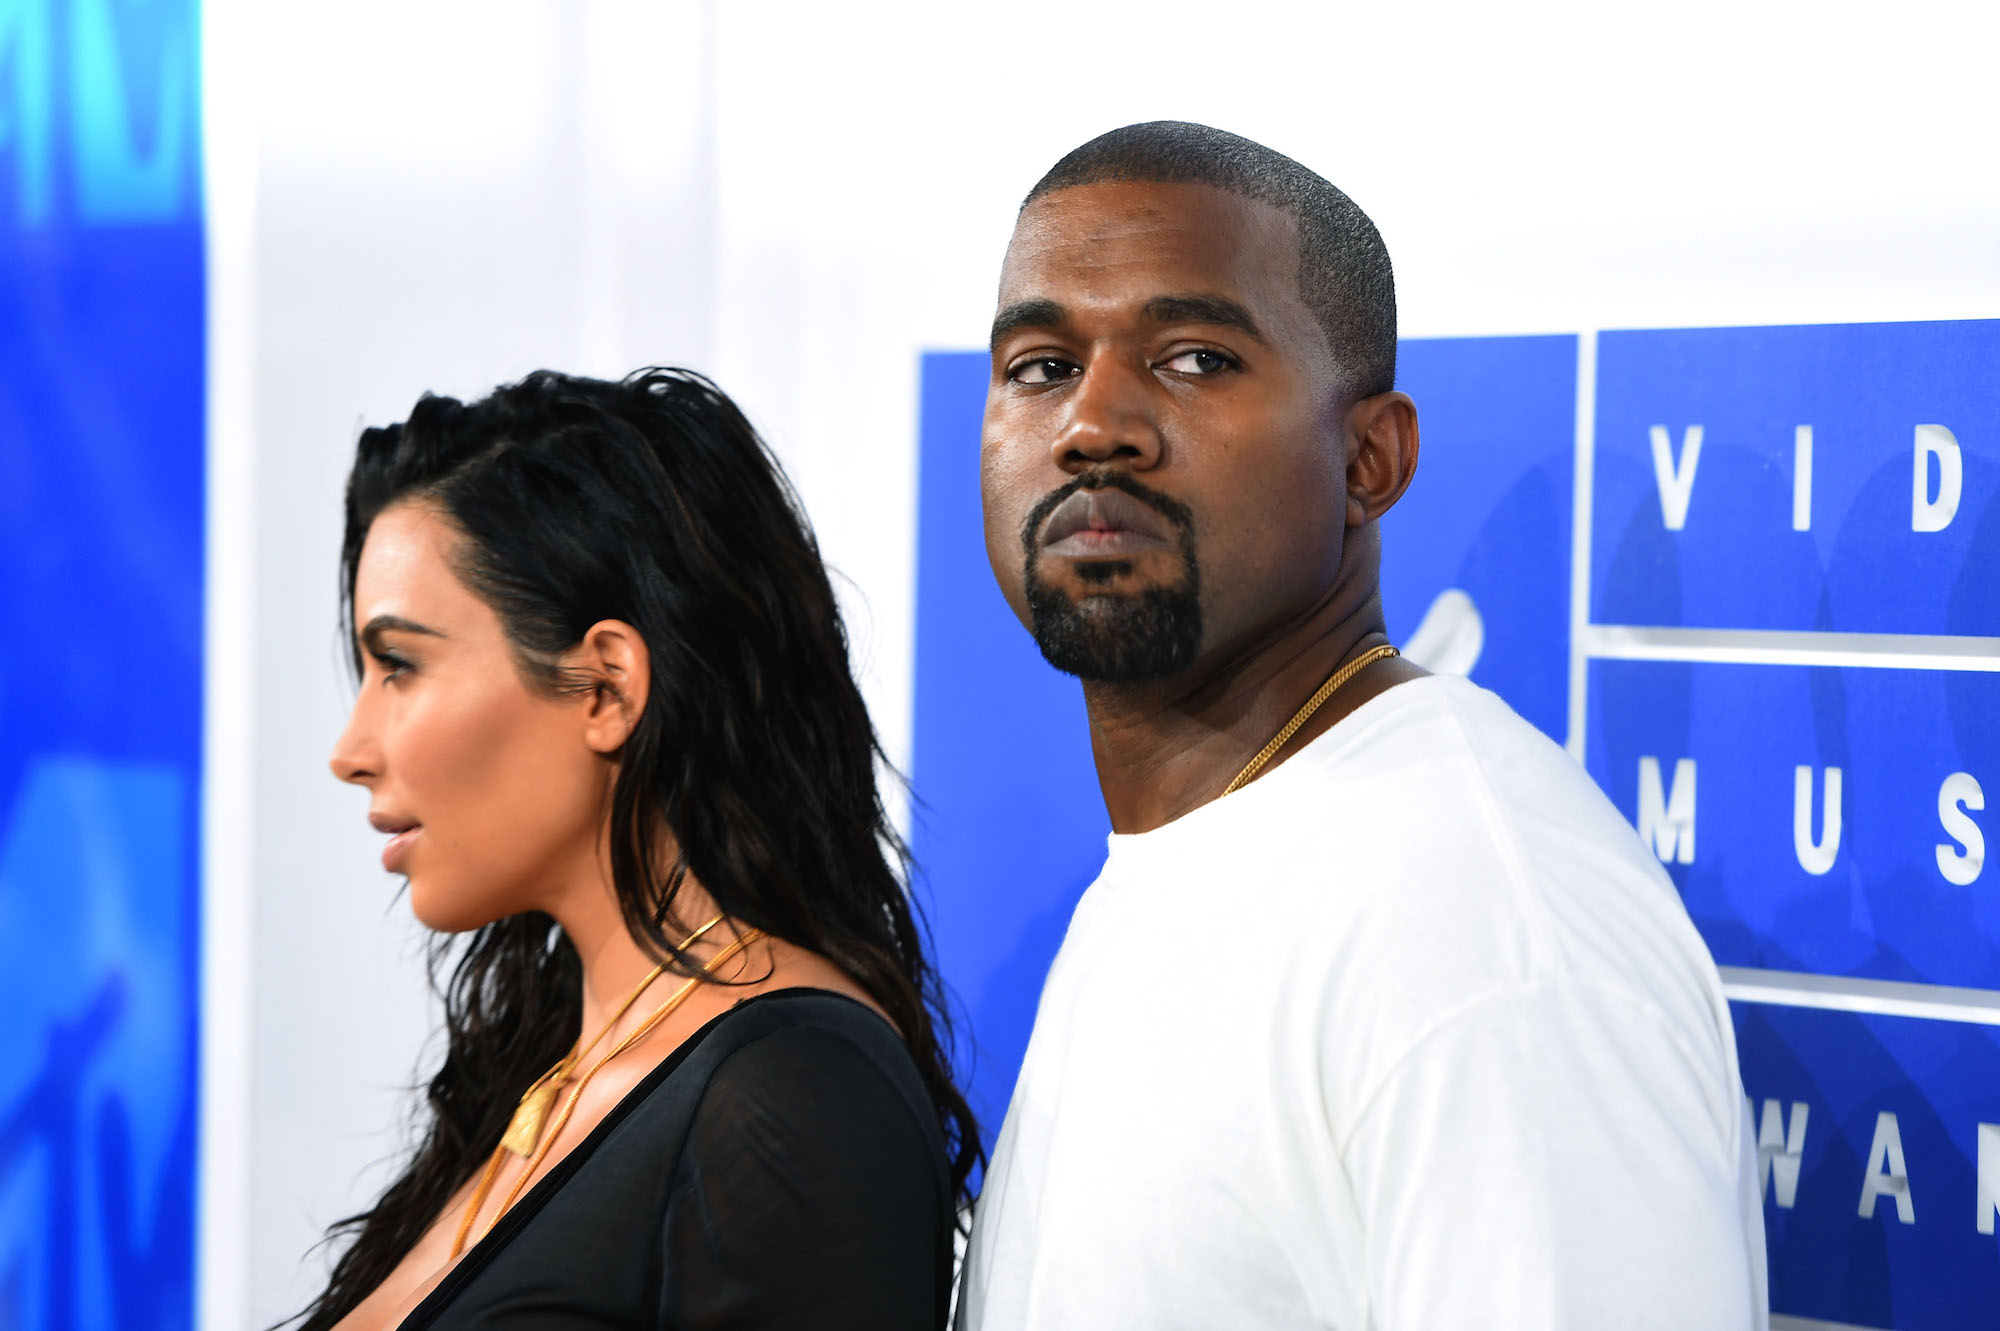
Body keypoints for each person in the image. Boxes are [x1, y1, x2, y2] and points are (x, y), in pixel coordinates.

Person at [957, 122, 1767, 1330]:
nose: (1092, 422)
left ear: (1369, 458)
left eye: (1193, 358)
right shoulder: (1202, 843)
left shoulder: (1478, 924)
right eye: (1039, 365)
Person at [300, 369, 976, 1330]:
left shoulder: (792, 1092)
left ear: (606, 687)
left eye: (400, 665)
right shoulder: (550, 1072)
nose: (350, 751)